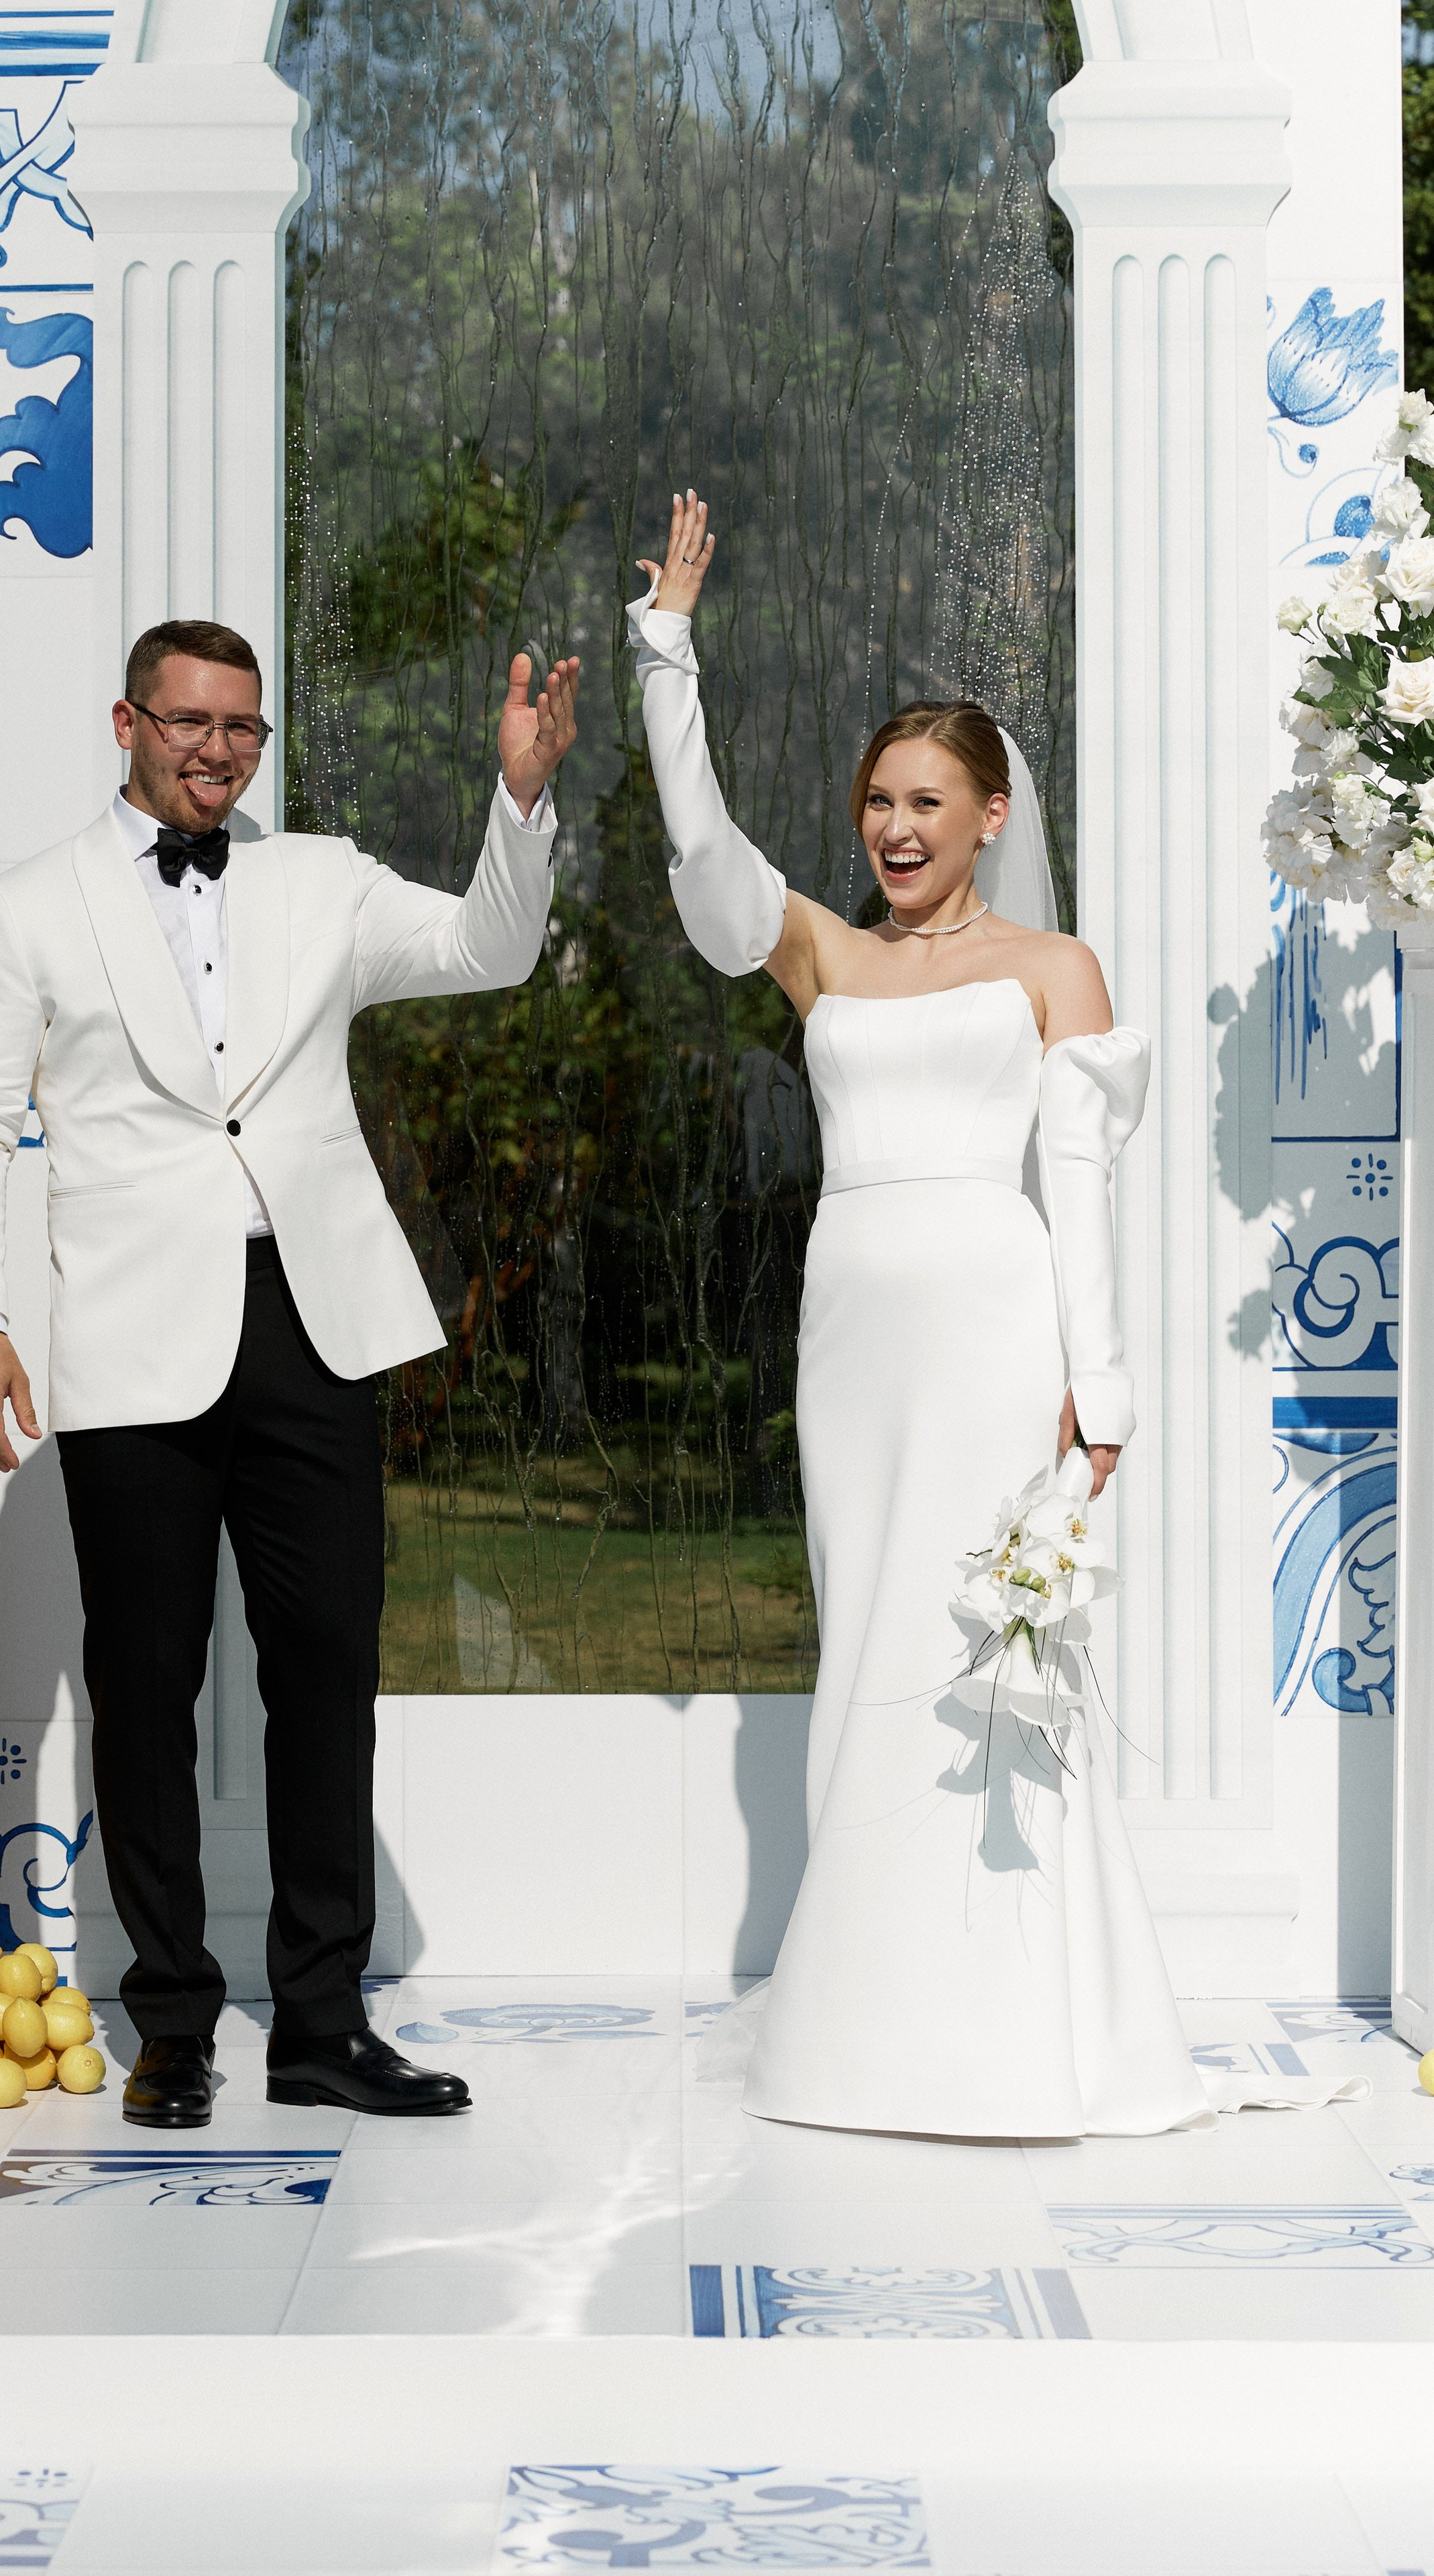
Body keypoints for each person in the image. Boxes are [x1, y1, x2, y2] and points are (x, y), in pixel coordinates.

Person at [628, 491, 1360, 2137]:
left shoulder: (1054, 967)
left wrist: (1095, 1393)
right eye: (876, 801)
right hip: (850, 1339)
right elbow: (701, 858)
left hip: (990, 1328)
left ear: (988, 813)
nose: (893, 827)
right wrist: (663, 651)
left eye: (926, 802)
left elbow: (1082, 1187)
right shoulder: (814, 949)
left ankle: (1015, 2027)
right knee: (867, 1640)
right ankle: (857, 2034)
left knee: (982, 1646)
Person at [0, 618, 580, 2129]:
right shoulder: (31, 909)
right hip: (134, 1338)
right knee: (145, 1689)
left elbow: (490, 949)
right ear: (125, 722)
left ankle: (322, 2024)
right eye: (188, 723)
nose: (216, 751)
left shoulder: (318, 880)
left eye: (242, 729)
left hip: (312, 1324)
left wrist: (521, 800)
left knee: (324, 1677)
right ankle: (171, 2026)